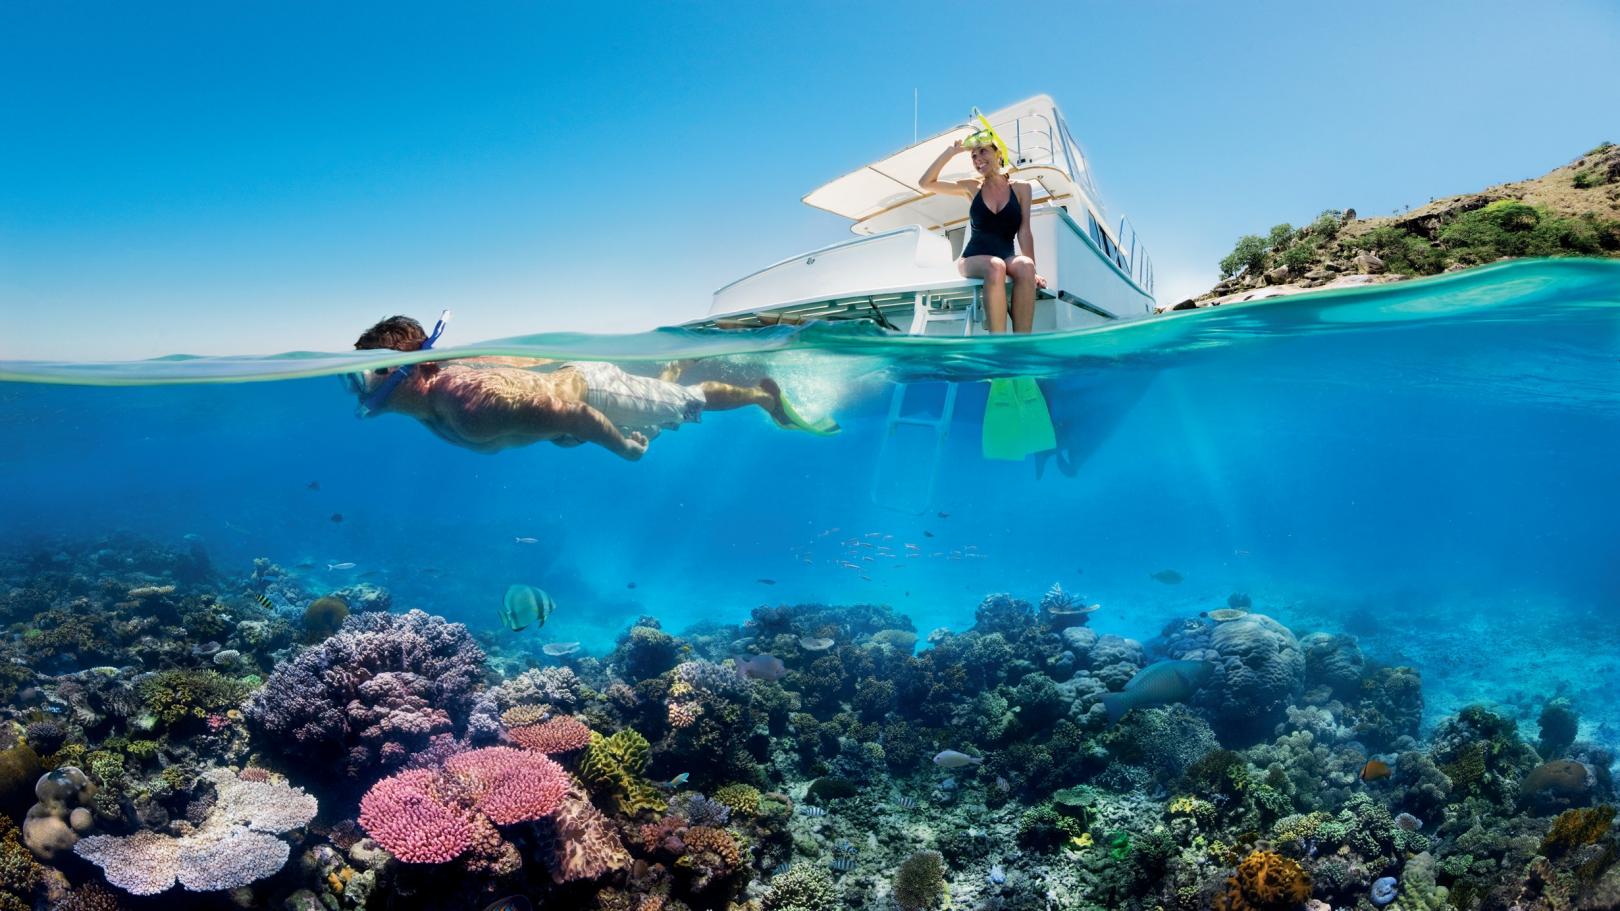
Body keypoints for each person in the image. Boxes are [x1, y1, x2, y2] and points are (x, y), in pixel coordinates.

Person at [347, 315, 836, 460]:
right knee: (658, 411)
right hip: (570, 413)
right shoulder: (431, 409)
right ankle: (668, 369)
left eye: (369, 371)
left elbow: (570, 412)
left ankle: (763, 396)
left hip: (592, 394)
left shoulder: (467, 401)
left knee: (684, 405)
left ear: (408, 370)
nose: (357, 385)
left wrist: (624, 448)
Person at [918, 130, 1047, 333]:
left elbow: (1024, 231)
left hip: (1006, 256)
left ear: (999, 154)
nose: (978, 160)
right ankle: (998, 342)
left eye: (983, 152)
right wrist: (950, 152)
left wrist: (1034, 272)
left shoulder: (1022, 188)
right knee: (995, 266)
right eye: (974, 156)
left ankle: (1023, 343)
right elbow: (925, 183)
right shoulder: (972, 187)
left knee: (1026, 265)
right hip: (973, 258)